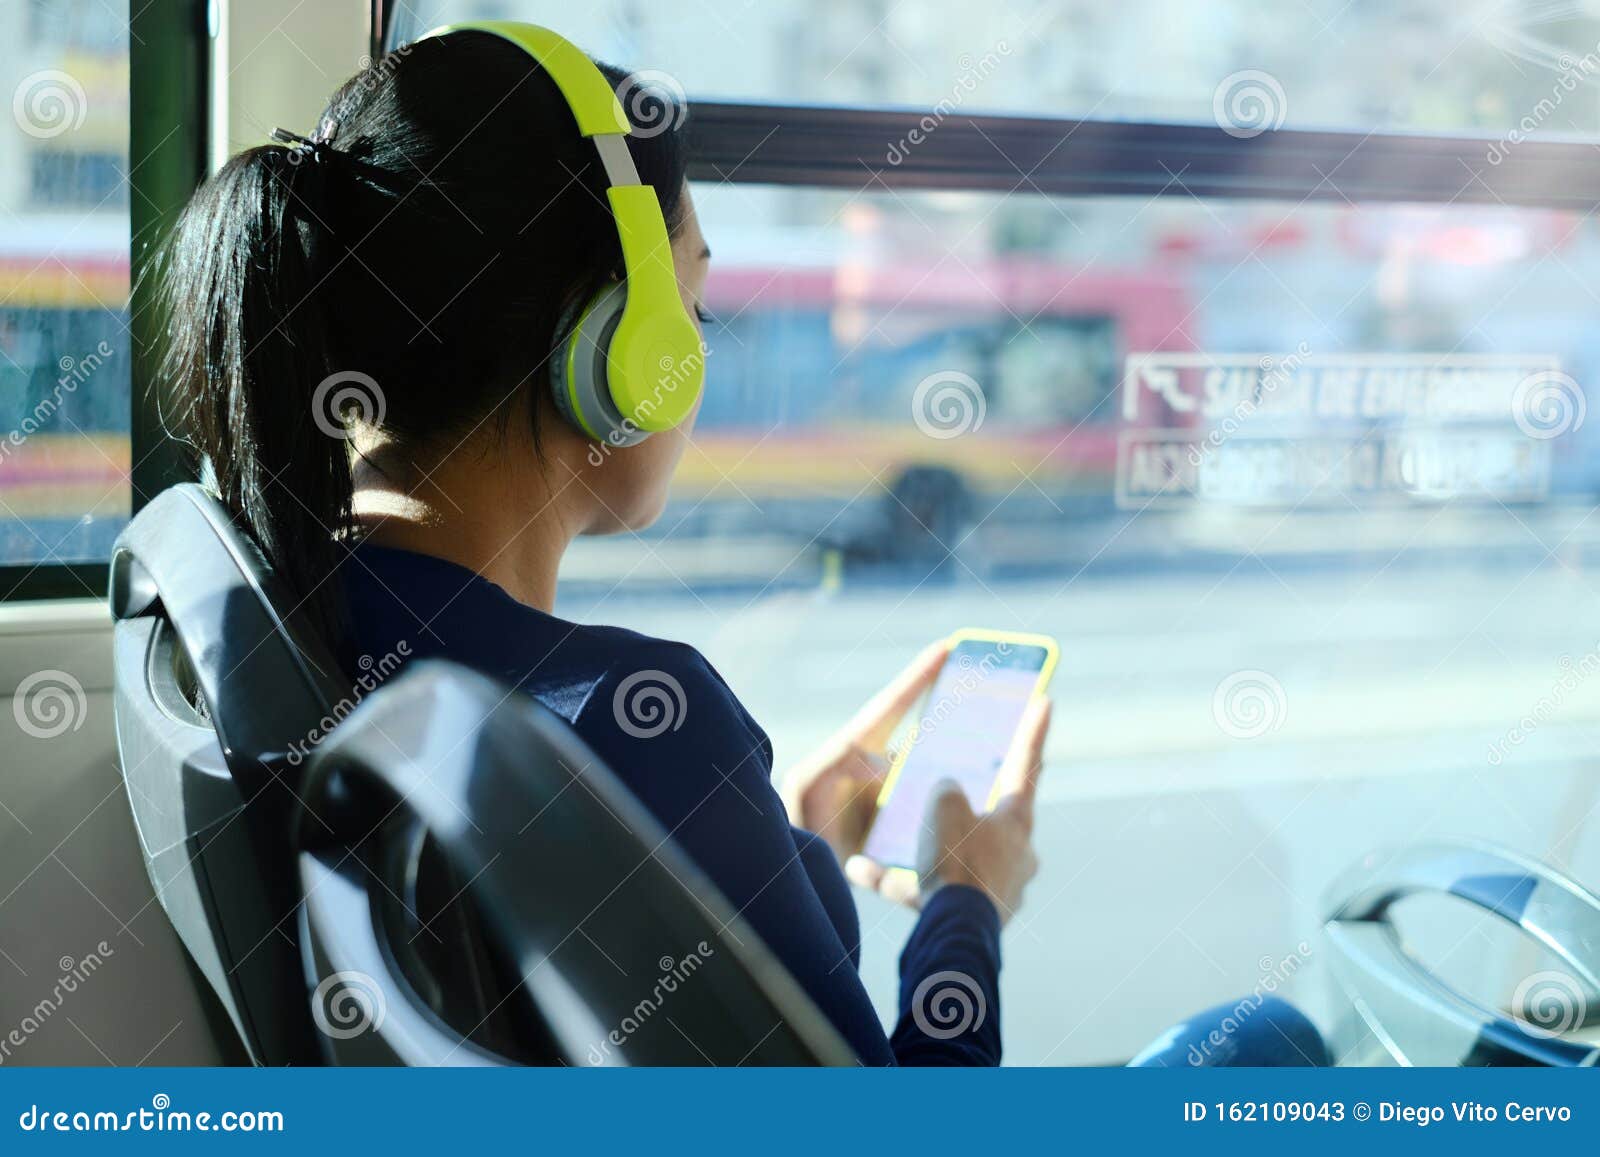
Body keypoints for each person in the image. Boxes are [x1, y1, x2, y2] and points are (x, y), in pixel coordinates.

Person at [156, 26, 1049, 1066]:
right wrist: (964, 903)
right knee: (1255, 1037)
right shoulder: (643, 729)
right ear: (622, 352)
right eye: (693, 306)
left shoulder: (264, 626)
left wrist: (779, 843)